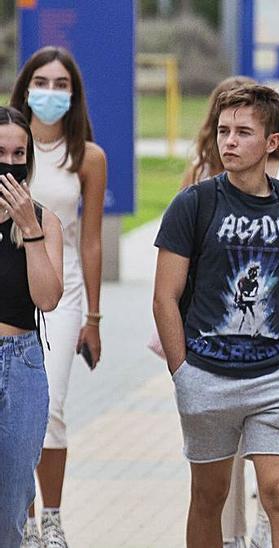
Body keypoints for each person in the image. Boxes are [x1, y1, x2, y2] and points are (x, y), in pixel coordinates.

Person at [153, 84, 279, 547]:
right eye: (223, 131)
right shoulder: (195, 203)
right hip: (206, 374)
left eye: (243, 132)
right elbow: (164, 296)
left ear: (272, 141)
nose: (228, 142)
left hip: (278, 377)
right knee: (209, 496)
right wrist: (182, 371)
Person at [6, 46, 106, 548]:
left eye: (61, 84)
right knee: (16, 412)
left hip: (59, 286)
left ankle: (52, 517)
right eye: (41, 82)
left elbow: (89, 241)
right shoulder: (9, 144)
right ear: (24, 87)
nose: (50, 92)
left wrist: (94, 315)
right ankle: (18, 516)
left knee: (52, 406)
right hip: (10, 283)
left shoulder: (86, 156)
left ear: (74, 93)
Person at [0, 106, 64, 548]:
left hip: (19, 364)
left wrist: (30, 230)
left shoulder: (44, 221)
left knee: (11, 508)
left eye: (19, 153)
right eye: (0, 152)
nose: (9, 162)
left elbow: (48, 299)